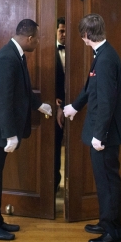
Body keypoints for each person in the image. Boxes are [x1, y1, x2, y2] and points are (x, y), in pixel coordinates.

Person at [0, 19, 53, 241]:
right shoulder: (7, 58)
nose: (38, 42)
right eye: (37, 38)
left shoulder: (16, 55)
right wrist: (9, 133)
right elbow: (3, 100)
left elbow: (23, 88)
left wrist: (39, 105)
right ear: (29, 38)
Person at [63, 13, 121, 242]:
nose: (82, 38)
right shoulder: (102, 54)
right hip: (102, 132)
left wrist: (99, 135)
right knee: (103, 182)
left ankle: (113, 232)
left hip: (105, 135)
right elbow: (91, 88)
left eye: (82, 34)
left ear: (87, 35)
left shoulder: (106, 59)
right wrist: (74, 106)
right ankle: (105, 222)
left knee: (108, 182)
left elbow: (107, 102)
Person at [54, 17, 66, 196]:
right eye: (61, 31)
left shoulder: (78, 51)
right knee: (55, 147)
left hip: (75, 106)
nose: (64, 35)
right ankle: (54, 185)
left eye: (66, 31)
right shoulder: (49, 51)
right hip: (55, 107)